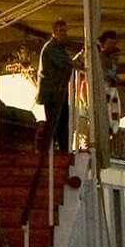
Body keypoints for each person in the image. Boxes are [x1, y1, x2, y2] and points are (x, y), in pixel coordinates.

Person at [37, 20, 77, 154]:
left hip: (58, 92)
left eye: (65, 31)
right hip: (52, 93)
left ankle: (60, 150)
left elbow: (68, 63)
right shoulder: (52, 48)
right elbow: (65, 64)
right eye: (62, 31)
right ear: (54, 33)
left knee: (62, 122)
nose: (65, 34)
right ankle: (53, 150)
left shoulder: (59, 48)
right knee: (56, 123)